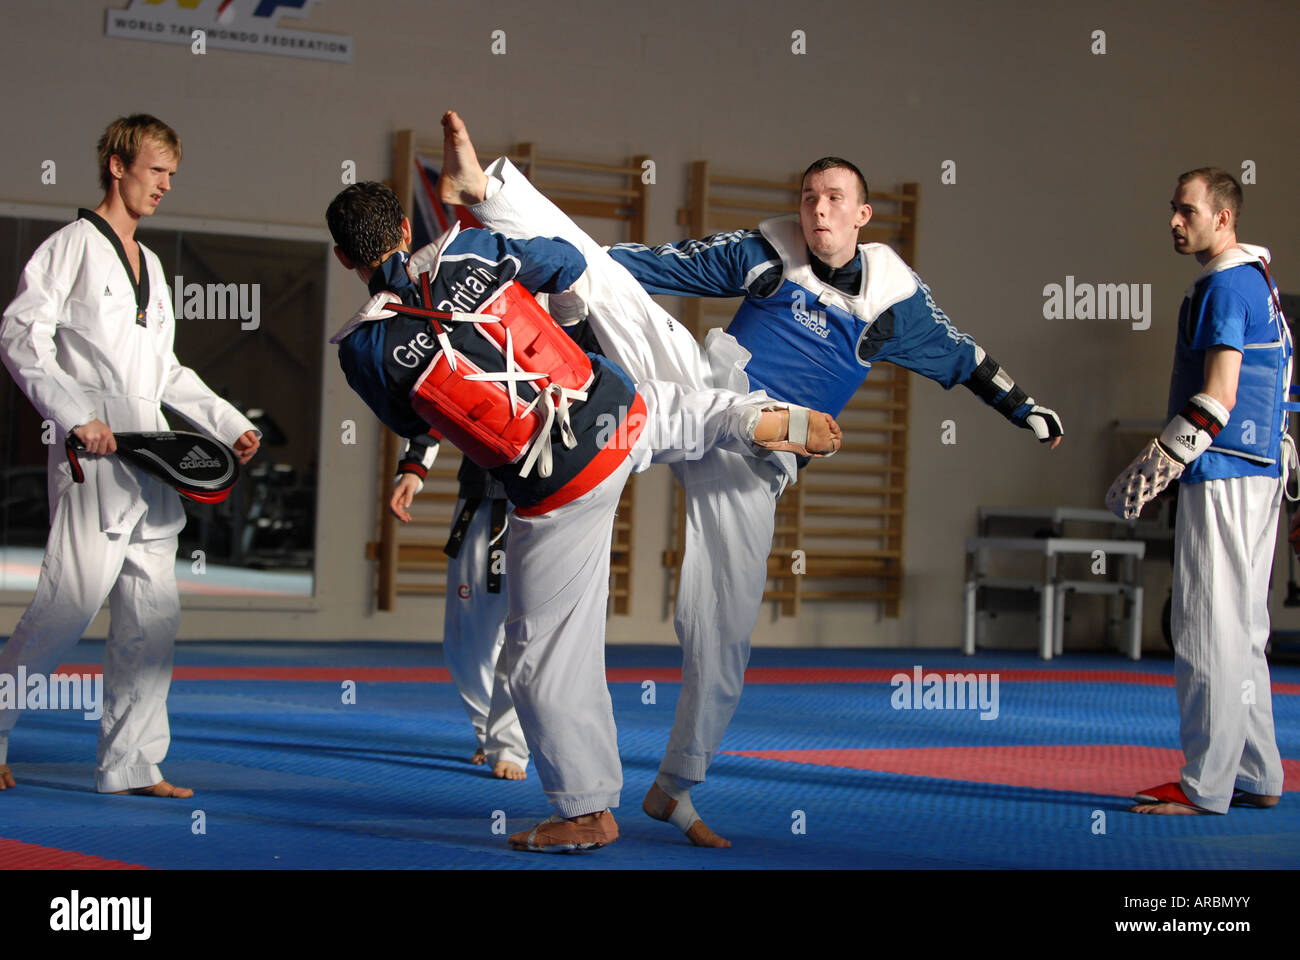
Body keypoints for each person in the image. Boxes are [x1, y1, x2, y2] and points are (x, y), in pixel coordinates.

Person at [453, 114, 1063, 846]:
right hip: (701, 396)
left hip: (756, 465)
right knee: (612, 286)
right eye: (809, 197)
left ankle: (675, 787)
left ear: (863, 215)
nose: (818, 209)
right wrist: (568, 258)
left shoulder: (896, 302)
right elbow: (654, 264)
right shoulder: (765, 253)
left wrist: (1026, 408)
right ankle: (486, 188)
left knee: (720, 626)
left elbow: (967, 358)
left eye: (835, 198)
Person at [325, 172, 839, 852]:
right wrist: (555, 319)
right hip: (612, 407)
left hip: (555, 483)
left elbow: (410, 415)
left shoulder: (363, 346)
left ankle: (588, 809)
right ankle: (751, 415)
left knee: (542, 653)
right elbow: (569, 261)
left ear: (344, 258)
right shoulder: (469, 250)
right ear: (402, 230)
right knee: (682, 410)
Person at [0, 114, 260, 798]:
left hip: (155, 458)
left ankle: (131, 763)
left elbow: (166, 371)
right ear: (117, 166)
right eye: (155, 170)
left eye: (172, 174)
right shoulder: (71, 247)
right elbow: (21, 335)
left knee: (153, 617)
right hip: (96, 454)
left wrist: (226, 423)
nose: (165, 185)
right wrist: (74, 415)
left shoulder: (151, 266)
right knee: (67, 605)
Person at [1109, 168, 1290, 815]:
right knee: (1241, 628)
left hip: (1224, 471)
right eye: (1172, 209)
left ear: (1224, 217)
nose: (1174, 221)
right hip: (1260, 471)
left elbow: (1220, 393)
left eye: (1187, 211)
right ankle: (1257, 772)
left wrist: (1158, 464)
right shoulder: (1258, 282)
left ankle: (1205, 785)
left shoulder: (1224, 286)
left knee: (1206, 625)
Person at [391, 437, 530, 780]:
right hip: (483, 497)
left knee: (527, 633)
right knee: (467, 640)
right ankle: (487, 728)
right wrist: (413, 468)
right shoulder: (469, 376)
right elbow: (429, 409)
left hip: (550, 499)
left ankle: (510, 744)